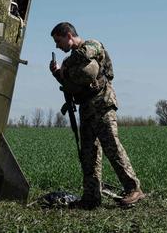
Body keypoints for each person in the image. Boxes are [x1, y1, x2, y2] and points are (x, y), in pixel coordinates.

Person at [49, 22, 145, 209]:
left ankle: (133, 189)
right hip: (86, 107)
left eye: (58, 41)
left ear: (69, 35)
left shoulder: (92, 45)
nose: (57, 46)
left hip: (102, 103)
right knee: (89, 154)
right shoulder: (72, 60)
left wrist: (66, 66)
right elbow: (70, 84)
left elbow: (85, 54)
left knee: (112, 146)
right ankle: (91, 197)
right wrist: (58, 74)